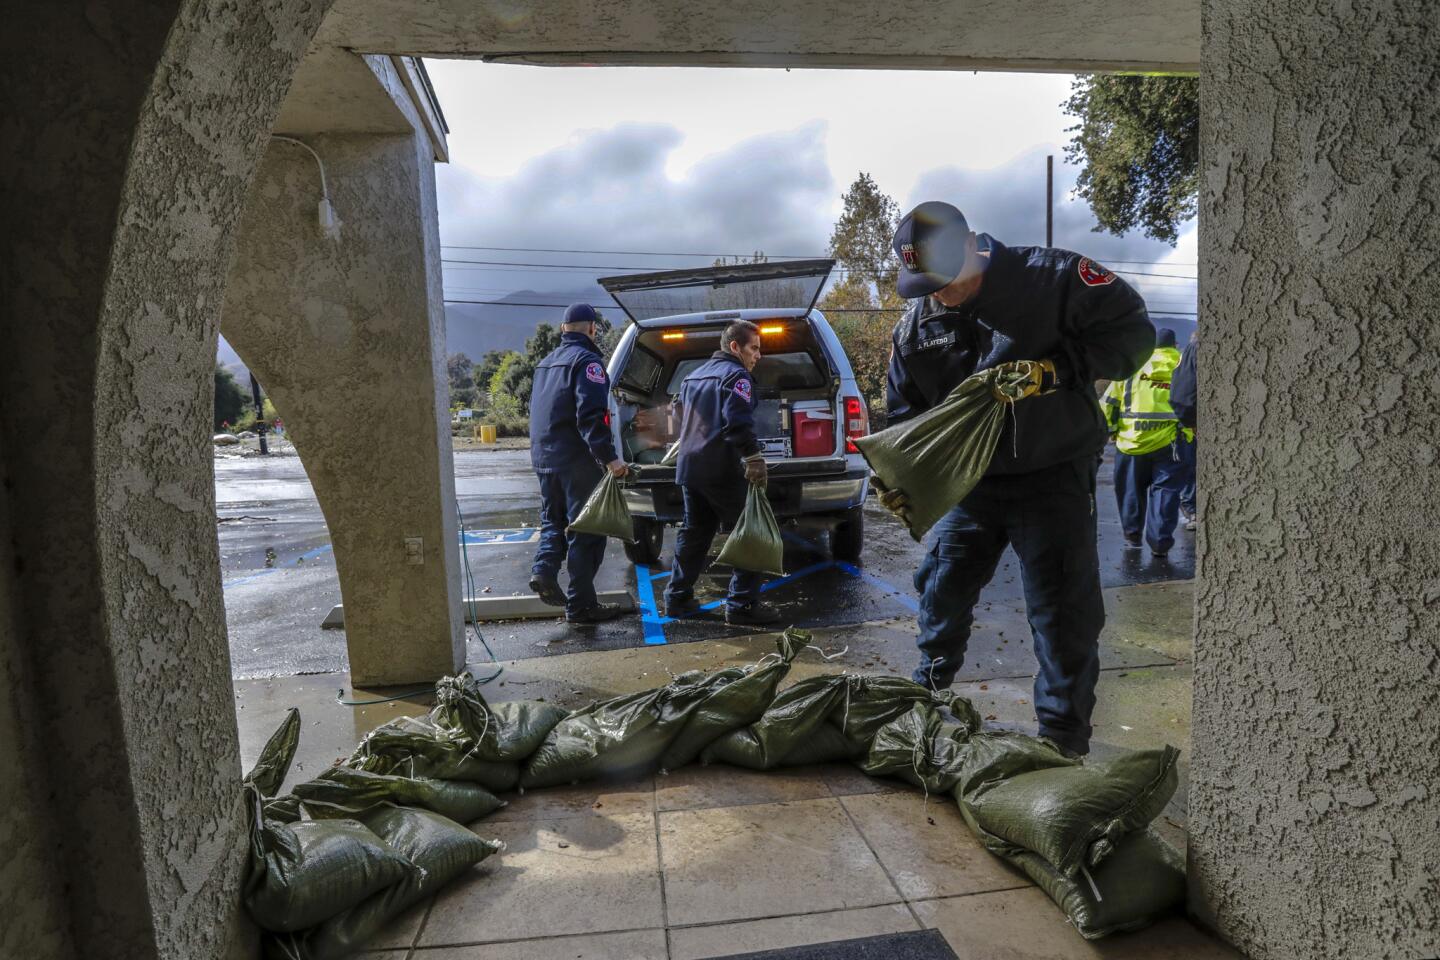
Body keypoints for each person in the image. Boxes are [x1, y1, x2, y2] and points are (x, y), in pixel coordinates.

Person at [881, 201, 1153, 757]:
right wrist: (902, 475)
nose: (935, 294)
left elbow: (1133, 335)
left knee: (1062, 611)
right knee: (942, 593)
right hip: (970, 485)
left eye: (942, 280)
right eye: (922, 284)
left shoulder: (1053, 280)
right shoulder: (917, 327)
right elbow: (903, 414)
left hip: (1052, 473)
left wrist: (1056, 371)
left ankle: (1061, 739)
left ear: (972, 247)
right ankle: (927, 696)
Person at [663, 320, 780, 626]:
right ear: (734, 347)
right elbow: (736, 423)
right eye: (753, 348)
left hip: (690, 469)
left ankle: (678, 599)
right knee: (751, 533)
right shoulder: (736, 377)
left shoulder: (692, 377)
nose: (758, 356)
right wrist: (754, 458)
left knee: (695, 535)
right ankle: (742, 604)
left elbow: (677, 414)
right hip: (720, 469)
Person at [528, 303, 630, 624]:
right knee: (587, 530)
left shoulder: (545, 364)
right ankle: (582, 605)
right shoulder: (588, 363)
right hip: (576, 461)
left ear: (562, 329)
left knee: (553, 522)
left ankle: (544, 570)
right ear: (592, 329)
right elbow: (589, 417)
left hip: (544, 459)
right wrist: (610, 459)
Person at [1102, 328, 1194, 556]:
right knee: (1166, 491)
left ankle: (1133, 533)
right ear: (1174, 345)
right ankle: (1160, 541)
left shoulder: (1132, 365)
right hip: (1172, 442)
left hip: (1131, 442)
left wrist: (1111, 431)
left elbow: (1109, 402)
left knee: (1131, 490)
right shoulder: (1182, 364)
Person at [1169, 334, 1198, 530]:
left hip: (1183, 424)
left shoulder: (1188, 353)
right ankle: (1192, 508)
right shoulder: (1191, 353)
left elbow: (1182, 395)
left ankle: (1192, 509)